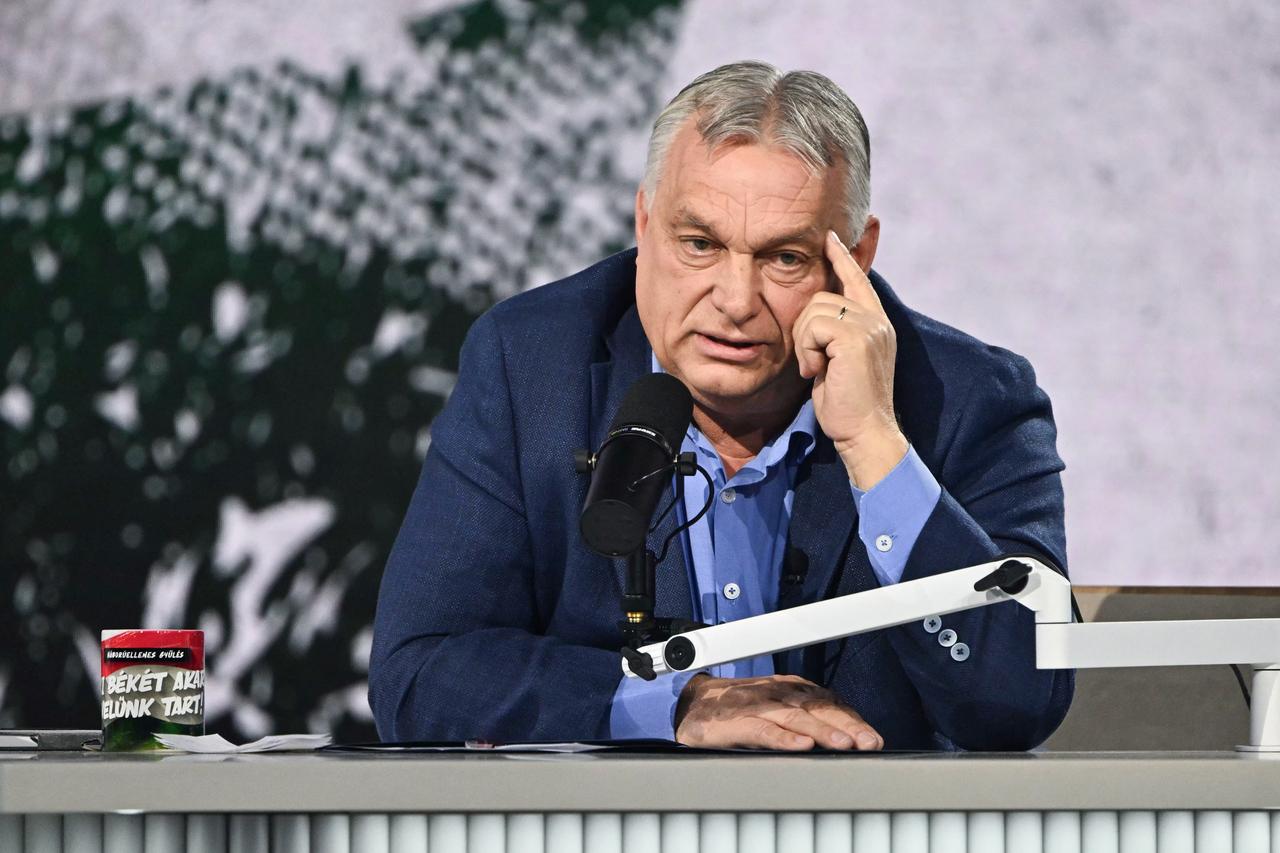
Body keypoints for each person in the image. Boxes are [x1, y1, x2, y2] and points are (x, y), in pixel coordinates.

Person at [369, 61, 1073, 751]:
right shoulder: (529, 368)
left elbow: (1018, 701)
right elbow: (421, 673)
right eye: (700, 244)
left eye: (785, 258)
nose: (736, 302)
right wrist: (672, 702)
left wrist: (872, 444)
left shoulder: (970, 400)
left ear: (856, 257)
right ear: (644, 224)